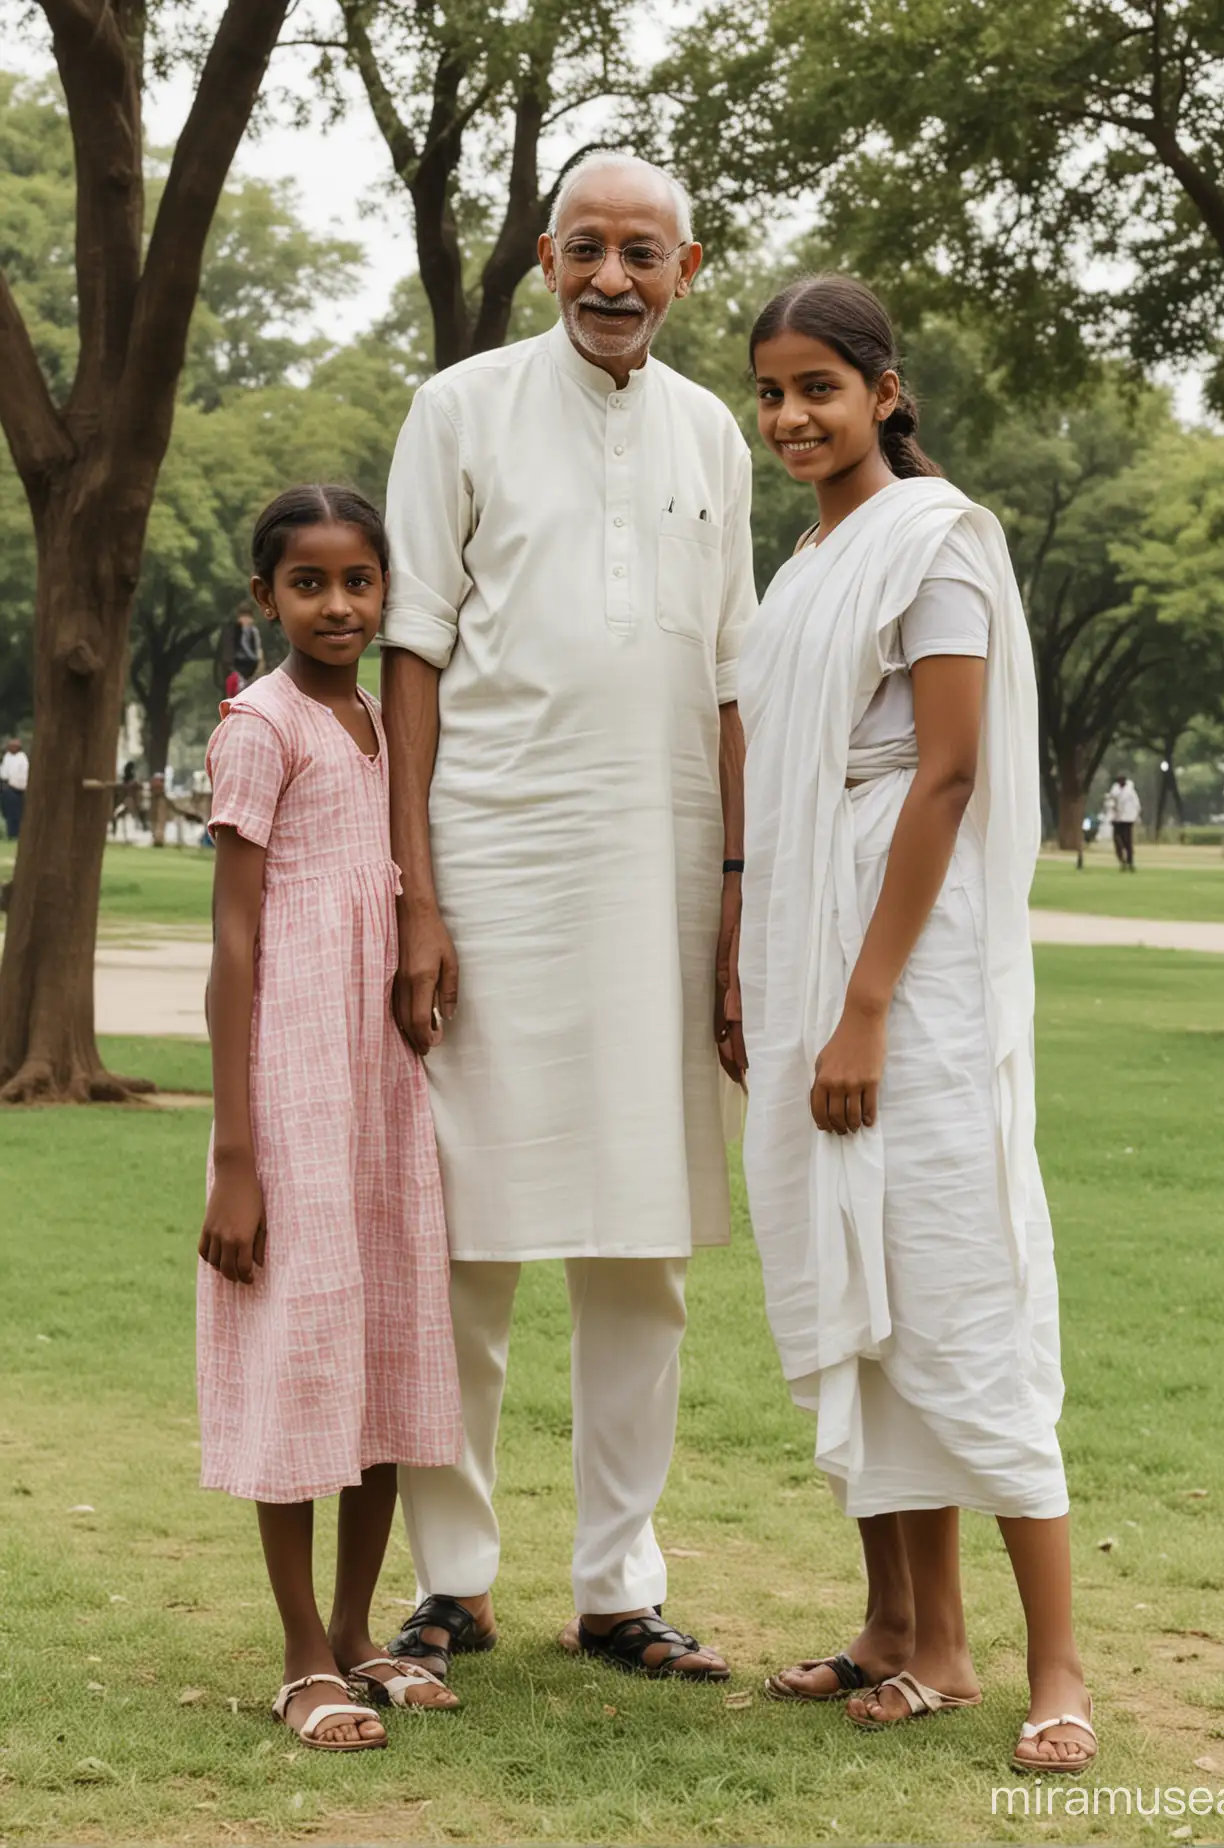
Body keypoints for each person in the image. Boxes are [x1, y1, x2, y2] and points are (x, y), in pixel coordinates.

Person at [378, 153, 755, 1685]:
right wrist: (417, 895)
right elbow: (412, 649)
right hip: (491, 864)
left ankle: (618, 1585)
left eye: (643, 254)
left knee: (644, 1250)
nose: (614, 278)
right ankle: (453, 1579)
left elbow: (732, 672)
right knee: (464, 1237)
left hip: (665, 871)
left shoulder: (718, 431)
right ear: (546, 258)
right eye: (588, 249)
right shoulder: (457, 408)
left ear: (689, 267)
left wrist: (735, 902)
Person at [739, 277, 1094, 1773]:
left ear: (887, 390)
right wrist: (770, 984)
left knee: (959, 1281)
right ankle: (907, 1633)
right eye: (769, 393)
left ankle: (1058, 1667)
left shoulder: (934, 545)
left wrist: (867, 1003)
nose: (791, 417)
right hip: (808, 951)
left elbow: (944, 777)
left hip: (909, 971)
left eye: (819, 386)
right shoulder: (803, 562)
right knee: (853, 1286)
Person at [199, 485, 463, 1751]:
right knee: (300, 1352)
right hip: (293, 1082)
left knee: (385, 1342)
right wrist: (235, 1155)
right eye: (310, 584)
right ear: (266, 600)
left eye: (360, 582)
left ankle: (364, 1626)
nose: (340, 605)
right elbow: (235, 941)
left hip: (381, 1082)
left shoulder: (378, 719)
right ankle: (304, 1651)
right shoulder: (261, 727)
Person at [1108, 773, 1140, 869]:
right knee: (1117, 840)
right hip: (1117, 819)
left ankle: (1130, 862)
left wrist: (1135, 816)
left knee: (1127, 841)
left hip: (1127, 819)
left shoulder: (1130, 791)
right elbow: (1111, 803)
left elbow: (1136, 805)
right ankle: (1122, 860)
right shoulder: (1114, 790)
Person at [232, 605, 265, 691]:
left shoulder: (254, 631)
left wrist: (259, 660)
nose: (245, 620)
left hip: (252, 667)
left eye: (247, 617)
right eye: (243, 617)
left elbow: (258, 647)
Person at [1, 737, 28, 839]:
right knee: (8, 813)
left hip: (18, 789)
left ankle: (17, 834)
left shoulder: (22, 758)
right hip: (7, 788)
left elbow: (22, 775)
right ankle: (10, 833)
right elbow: (4, 773)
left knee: (17, 813)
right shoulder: (7, 757)